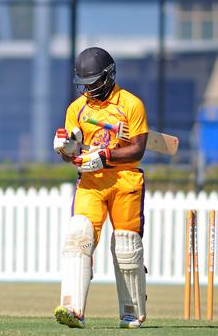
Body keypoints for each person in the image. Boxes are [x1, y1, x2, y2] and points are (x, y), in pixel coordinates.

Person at [52, 47, 149, 329]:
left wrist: (105, 156)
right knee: (78, 235)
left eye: (94, 81)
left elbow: (138, 149)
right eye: (85, 83)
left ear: (109, 75)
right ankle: (72, 308)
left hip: (125, 180)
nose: (89, 88)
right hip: (91, 183)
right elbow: (73, 154)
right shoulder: (77, 109)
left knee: (126, 247)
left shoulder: (131, 104)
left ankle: (131, 312)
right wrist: (67, 150)